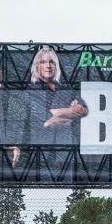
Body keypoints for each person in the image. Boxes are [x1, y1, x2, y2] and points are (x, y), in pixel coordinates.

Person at [27, 45, 88, 174]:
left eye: (52, 62)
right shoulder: (31, 90)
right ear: (37, 66)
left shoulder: (65, 87)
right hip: (42, 150)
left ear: (56, 65)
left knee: (67, 182)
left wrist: (57, 113)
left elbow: (83, 110)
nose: (48, 66)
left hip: (66, 148)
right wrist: (70, 113)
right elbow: (45, 120)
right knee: (44, 182)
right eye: (43, 62)